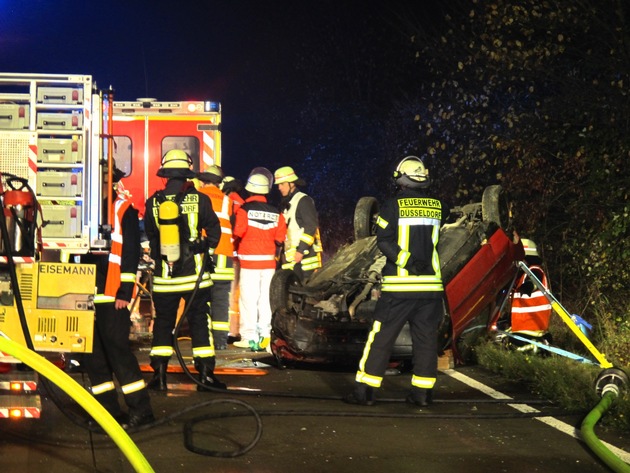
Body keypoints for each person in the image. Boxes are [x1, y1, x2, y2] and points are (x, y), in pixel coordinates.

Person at [345, 156, 449, 407]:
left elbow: (384, 241)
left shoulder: (392, 206)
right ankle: (422, 395)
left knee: (381, 338)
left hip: (400, 289)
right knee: (425, 341)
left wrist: (407, 261)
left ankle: (366, 392)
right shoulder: (439, 206)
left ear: (401, 178)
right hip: (431, 288)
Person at [144, 149, 226, 391]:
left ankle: (159, 376)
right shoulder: (200, 199)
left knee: (163, 324)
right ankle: (204, 376)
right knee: (200, 323)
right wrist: (200, 246)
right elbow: (214, 233)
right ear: (187, 175)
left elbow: (151, 236)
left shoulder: (154, 201)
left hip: (164, 279)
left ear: (166, 175)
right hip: (194, 279)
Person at [82, 165, 154, 429]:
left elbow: (131, 252)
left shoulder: (124, 209)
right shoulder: (81, 209)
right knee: (92, 355)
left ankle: (141, 410)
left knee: (117, 352)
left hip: (112, 294)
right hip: (83, 292)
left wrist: (125, 290)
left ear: (111, 182)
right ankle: (106, 412)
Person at [232, 171, 287, 351]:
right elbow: (280, 238)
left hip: (249, 262)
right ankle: (265, 336)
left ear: (249, 190)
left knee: (248, 299)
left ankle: (248, 337)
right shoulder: (276, 212)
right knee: (265, 300)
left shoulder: (244, 210)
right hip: (269, 263)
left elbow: (238, 232)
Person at [197, 166, 236, 350]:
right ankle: (220, 342)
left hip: (204, 254)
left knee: (201, 298)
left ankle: (204, 340)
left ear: (203, 181)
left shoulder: (197, 197)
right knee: (221, 299)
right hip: (224, 255)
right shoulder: (228, 200)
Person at [273, 166, 323, 281]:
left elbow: (311, 227)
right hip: (293, 262)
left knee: (306, 293)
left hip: (306, 262)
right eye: (278, 185)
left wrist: (301, 251)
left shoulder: (303, 200)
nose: (279, 188)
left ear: (291, 183)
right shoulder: (288, 204)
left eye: (282, 184)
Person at [508, 238, 552, 350]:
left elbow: (534, 283)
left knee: (512, 344)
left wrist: (528, 286)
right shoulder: (523, 275)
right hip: (524, 326)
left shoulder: (535, 271)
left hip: (531, 328)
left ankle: (538, 345)